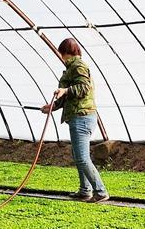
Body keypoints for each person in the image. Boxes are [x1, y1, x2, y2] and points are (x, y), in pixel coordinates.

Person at [41, 38, 109, 203]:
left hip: (82, 117)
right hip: (77, 116)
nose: (61, 57)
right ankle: (85, 190)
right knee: (78, 155)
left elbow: (84, 88)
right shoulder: (71, 68)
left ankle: (100, 192)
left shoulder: (78, 66)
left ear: (66, 52)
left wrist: (65, 90)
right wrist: (53, 106)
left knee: (82, 157)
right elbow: (69, 95)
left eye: (61, 53)